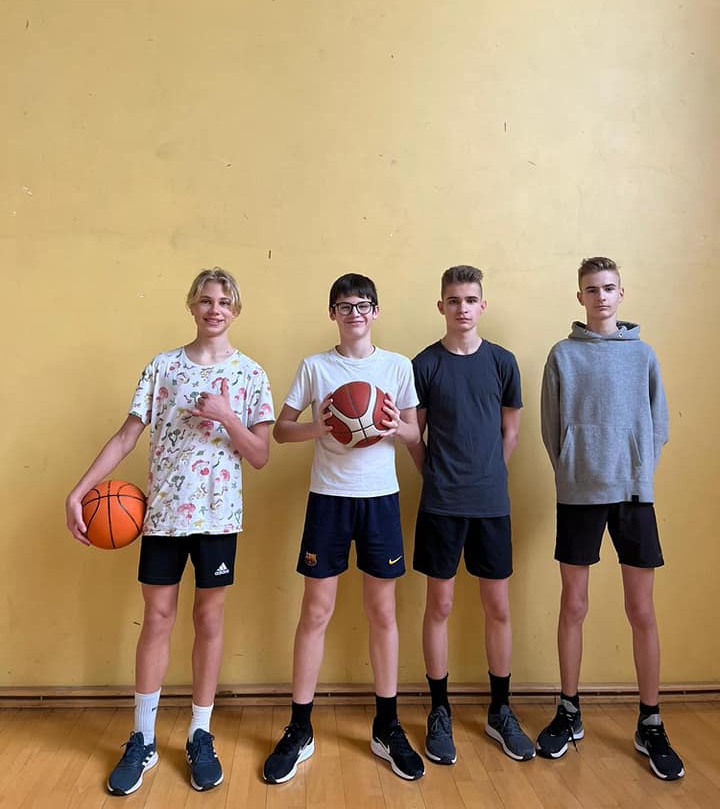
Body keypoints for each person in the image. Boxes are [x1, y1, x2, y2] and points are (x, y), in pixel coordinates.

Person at [65, 268, 274, 795]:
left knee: (209, 619)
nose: (214, 309)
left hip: (219, 519)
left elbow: (260, 455)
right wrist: (78, 492)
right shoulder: (163, 367)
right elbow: (126, 436)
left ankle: (200, 733)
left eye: (224, 301)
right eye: (205, 300)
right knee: (157, 619)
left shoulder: (251, 374)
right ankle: (143, 738)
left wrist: (227, 416)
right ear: (191, 305)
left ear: (235, 309)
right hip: (162, 517)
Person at [262, 273, 425, 784]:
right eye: (345, 305)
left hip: (380, 500)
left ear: (376, 311)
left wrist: (392, 426)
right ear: (332, 312)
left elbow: (414, 432)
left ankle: (387, 725)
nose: (355, 313)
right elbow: (281, 431)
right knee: (315, 611)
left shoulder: (397, 366)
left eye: (363, 305)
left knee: (383, 612)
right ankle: (300, 727)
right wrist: (323, 424)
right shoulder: (315, 367)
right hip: (328, 500)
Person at [537, 256, 684, 781]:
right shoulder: (563, 355)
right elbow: (550, 427)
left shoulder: (642, 355)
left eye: (608, 288)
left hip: (633, 495)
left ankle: (650, 721)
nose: (601, 296)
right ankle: (569, 709)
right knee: (573, 604)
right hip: (579, 493)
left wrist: (636, 467)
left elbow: (658, 423)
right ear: (579, 297)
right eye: (591, 289)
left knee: (641, 609)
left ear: (622, 293)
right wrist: (573, 469)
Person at [407, 265, 535, 766]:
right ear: (441, 306)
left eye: (470, 299)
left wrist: (488, 476)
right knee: (438, 605)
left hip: (491, 505)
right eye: (454, 300)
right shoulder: (424, 364)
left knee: (497, 606)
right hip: (441, 503)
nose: (462, 308)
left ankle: (500, 710)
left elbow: (511, 432)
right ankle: (439, 710)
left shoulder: (503, 362)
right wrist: (436, 475)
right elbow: (414, 436)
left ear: (483, 305)